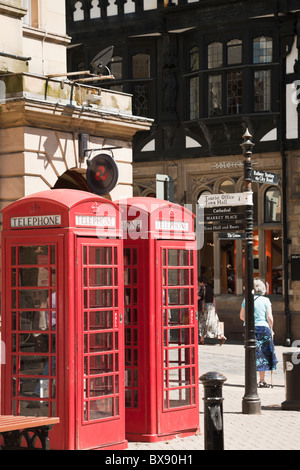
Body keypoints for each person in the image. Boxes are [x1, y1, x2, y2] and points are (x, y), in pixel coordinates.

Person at [240, 278, 278, 388]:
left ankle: (251, 381)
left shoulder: (246, 300)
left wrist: (250, 321)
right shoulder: (266, 300)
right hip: (263, 328)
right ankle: (262, 380)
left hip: (249, 328)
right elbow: (270, 317)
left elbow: (242, 317)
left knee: (252, 353)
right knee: (264, 354)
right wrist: (271, 329)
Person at [198, 276, 226, 345]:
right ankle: (202, 340)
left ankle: (220, 335)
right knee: (209, 322)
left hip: (205, 307)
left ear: (202, 282)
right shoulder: (210, 288)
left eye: (199, 282)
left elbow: (198, 297)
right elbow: (213, 299)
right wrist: (215, 309)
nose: (199, 284)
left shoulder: (203, 288)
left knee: (204, 322)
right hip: (211, 307)